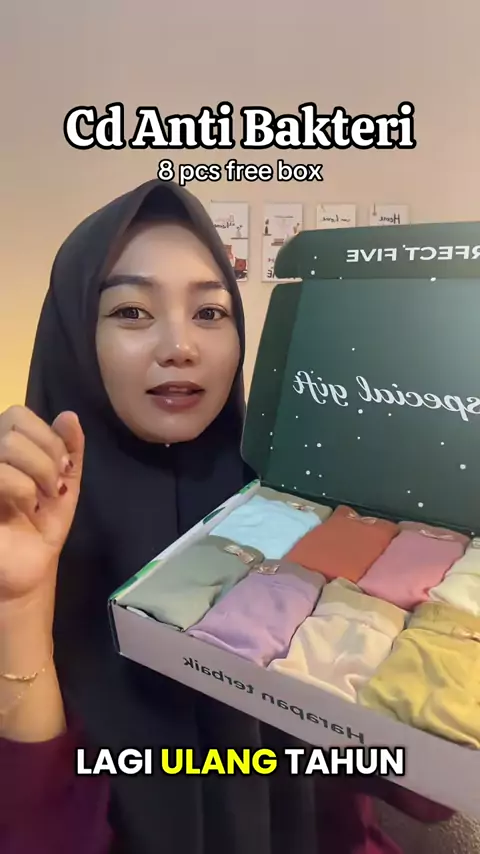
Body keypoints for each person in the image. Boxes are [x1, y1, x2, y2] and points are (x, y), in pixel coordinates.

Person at [0, 180, 453, 854]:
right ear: (74, 335)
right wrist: (19, 606)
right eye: (131, 311)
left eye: (210, 312)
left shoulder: (299, 504)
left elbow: (424, 792)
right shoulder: (18, 531)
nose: (180, 346)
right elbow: (38, 837)